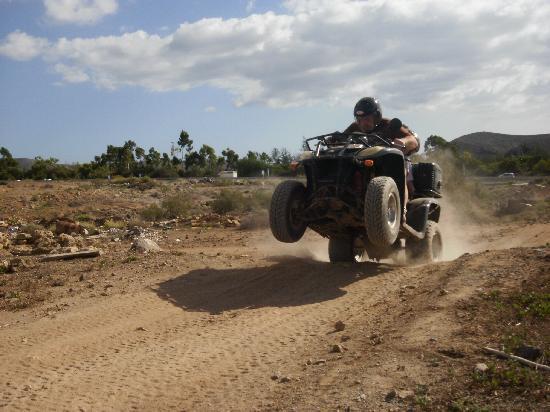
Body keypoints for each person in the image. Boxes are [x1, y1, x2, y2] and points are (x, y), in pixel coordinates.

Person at [344, 97, 419, 214]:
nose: (363, 123)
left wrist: (403, 142)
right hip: (366, 160)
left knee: (400, 169)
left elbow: (413, 140)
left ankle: (401, 210)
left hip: (393, 160)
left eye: (367, 119)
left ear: (376, 116)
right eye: (359, 119)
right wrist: (330, 141)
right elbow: (339, 139)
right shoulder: (354, 127)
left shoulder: (389, 125)